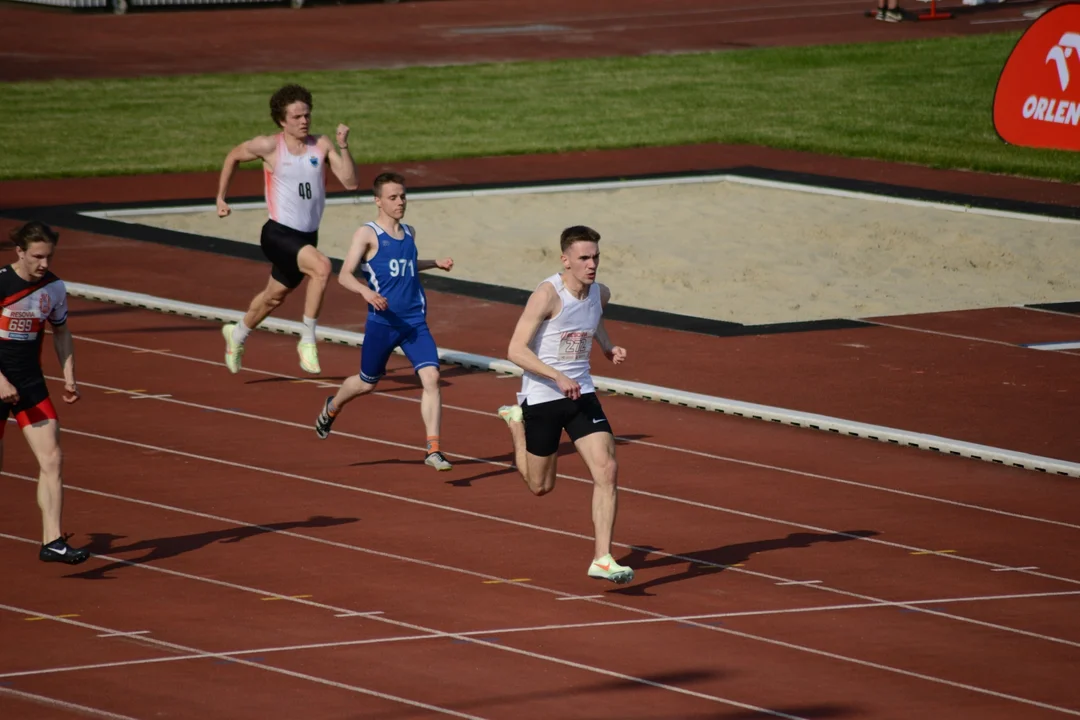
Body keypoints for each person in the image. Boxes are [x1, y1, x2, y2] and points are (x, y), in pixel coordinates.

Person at [496, 225, 633, 584]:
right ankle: (515, 423)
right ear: (566, 259)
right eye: (584, 258)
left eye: (596, 257)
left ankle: (602, 558)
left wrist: (606, 346)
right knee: (540, 487)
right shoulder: (546, 294)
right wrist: (556, 376)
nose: (592, 264)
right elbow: (514, 350)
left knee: (607, 469)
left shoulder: (600, 294)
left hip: (582, 393)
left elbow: (593, 321)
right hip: (543, 395)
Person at [314, 172, 456, 472]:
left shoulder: (409, 232)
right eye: (393, 197)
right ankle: (333, 406)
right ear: (378, 201)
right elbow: (345, 274)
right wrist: (366, 292)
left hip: (414, 322)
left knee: (431, 379)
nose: (400, 202)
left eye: (403, 196)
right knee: (367, 384)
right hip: (383, 323)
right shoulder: (367, 234)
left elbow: (406, 264)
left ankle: (433, 449)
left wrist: (434, 263)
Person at [215, 84, 358, 376]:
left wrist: (343, 146)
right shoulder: (269, 146)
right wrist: (221, 197)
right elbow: (232, 156)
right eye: (296, 117)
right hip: (278, 234)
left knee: (274, 297)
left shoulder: (322, 145)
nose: (304, 121)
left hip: (306, 236)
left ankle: (237, 334)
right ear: (282, 120)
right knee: (322, 267)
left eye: (307, 115)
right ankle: (307, 340)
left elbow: (350, 182)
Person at [0, 222, 88, 565]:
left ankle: (52, 541)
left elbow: (61, 331)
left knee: (52, 458)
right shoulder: (2, 283)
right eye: (37, 256)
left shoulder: (54, 288)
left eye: (49, 256)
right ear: (19, 252)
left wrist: (70, 377)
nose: (44, 264)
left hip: (29, 384)